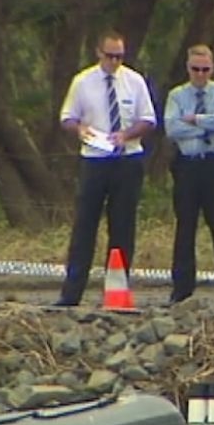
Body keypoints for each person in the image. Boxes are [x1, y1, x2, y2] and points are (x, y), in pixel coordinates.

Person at [55, 29, 156, 307]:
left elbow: (148, 119)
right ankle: (72, 292)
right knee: (85, 226)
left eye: (120, 56)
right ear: (99, 53)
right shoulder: (83, 82)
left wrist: (128, 134)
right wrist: (79, 128)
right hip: (95, 160)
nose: (115, 61)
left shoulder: (134, 81)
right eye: (110, 56)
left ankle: (117, 292)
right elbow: (66, 117)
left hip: (127, 160)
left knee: (123, 227)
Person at [164, 44, 214, 305]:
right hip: (187, 165)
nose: (200, 74)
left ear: (212, 68)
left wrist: (195, 120)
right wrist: (209, 124)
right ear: (188, 68)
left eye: (205, 69)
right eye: (196, 69)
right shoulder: (177, 95)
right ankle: (182, 290)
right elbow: (172, 128)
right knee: (185, 227)